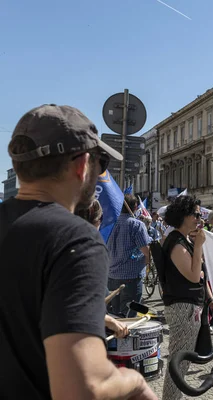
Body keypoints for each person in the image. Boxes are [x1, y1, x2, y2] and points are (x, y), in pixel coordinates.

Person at [0, 104, 155, 399]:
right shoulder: (74, 239)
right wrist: (134, 382)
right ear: (82, 164)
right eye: (102, 163)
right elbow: (83, 387)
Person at [161, 195, 213, 400]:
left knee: (181, 363)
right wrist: (200, 245)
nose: (198, 218)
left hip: (188, 306)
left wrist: (209, 299)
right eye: (195, 214)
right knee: (178, 363)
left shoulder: (182, 240)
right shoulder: (176, 243)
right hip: (183, 309)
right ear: (183, 215)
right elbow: (194, 276)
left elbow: (198, 272)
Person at [75, 200, 129, 339]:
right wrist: (109, 321)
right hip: (81, 337)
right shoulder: (90, 250)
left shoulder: (57, 243)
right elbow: (77, 304)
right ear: (97, 221)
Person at [107, 194, 152, 317]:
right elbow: (146, 251)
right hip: (130, 277)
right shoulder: (136, 225)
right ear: (135, 207)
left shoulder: (110, 224)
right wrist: (148, 261)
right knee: (129, 317)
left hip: (111, 275)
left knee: (114, 315)